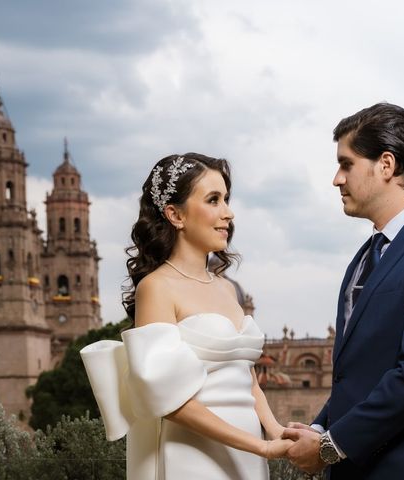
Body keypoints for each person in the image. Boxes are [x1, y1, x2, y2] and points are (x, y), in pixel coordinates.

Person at [282, 103, 404, 479]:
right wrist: (320, 428)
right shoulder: (363, 257)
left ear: (386, 165)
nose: (336, 179)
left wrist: (329, 447)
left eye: (346, 164)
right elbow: (357, 376)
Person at [81, 153, 292, 479]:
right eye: (213, 200)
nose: (228, 213)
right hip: (195, 457)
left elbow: (245, 377)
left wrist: (275, 430)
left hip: (248, 457)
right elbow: (169, 400)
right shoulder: (156, 288)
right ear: (175, 214)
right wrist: (259, 446)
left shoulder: (225, 288)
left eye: (226, 199)